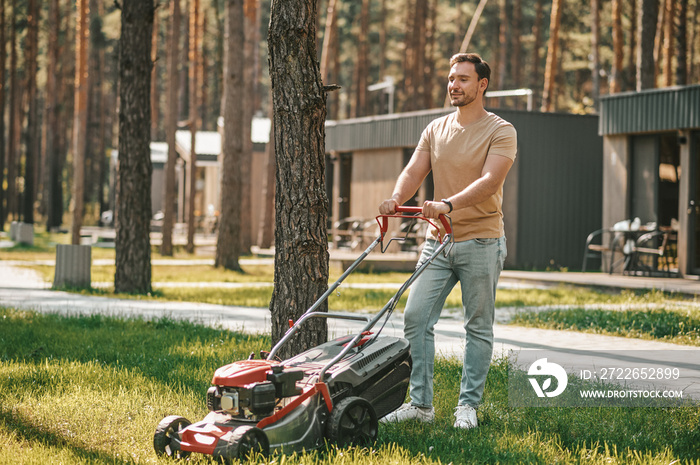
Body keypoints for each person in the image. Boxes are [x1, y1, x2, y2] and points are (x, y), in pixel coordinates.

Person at [378, 53, 517, 429]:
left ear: (482, 85)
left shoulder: (501, 130)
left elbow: (490, 181)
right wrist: (397, 198)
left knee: (478, 326)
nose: (454, 85)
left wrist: (448, 204)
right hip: (437, 243)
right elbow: (413, 170)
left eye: (463, 79)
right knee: (416, 317)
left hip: (482, 241)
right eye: (451, 78)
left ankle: (467, 407)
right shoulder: (435, 129)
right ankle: (421, 405)